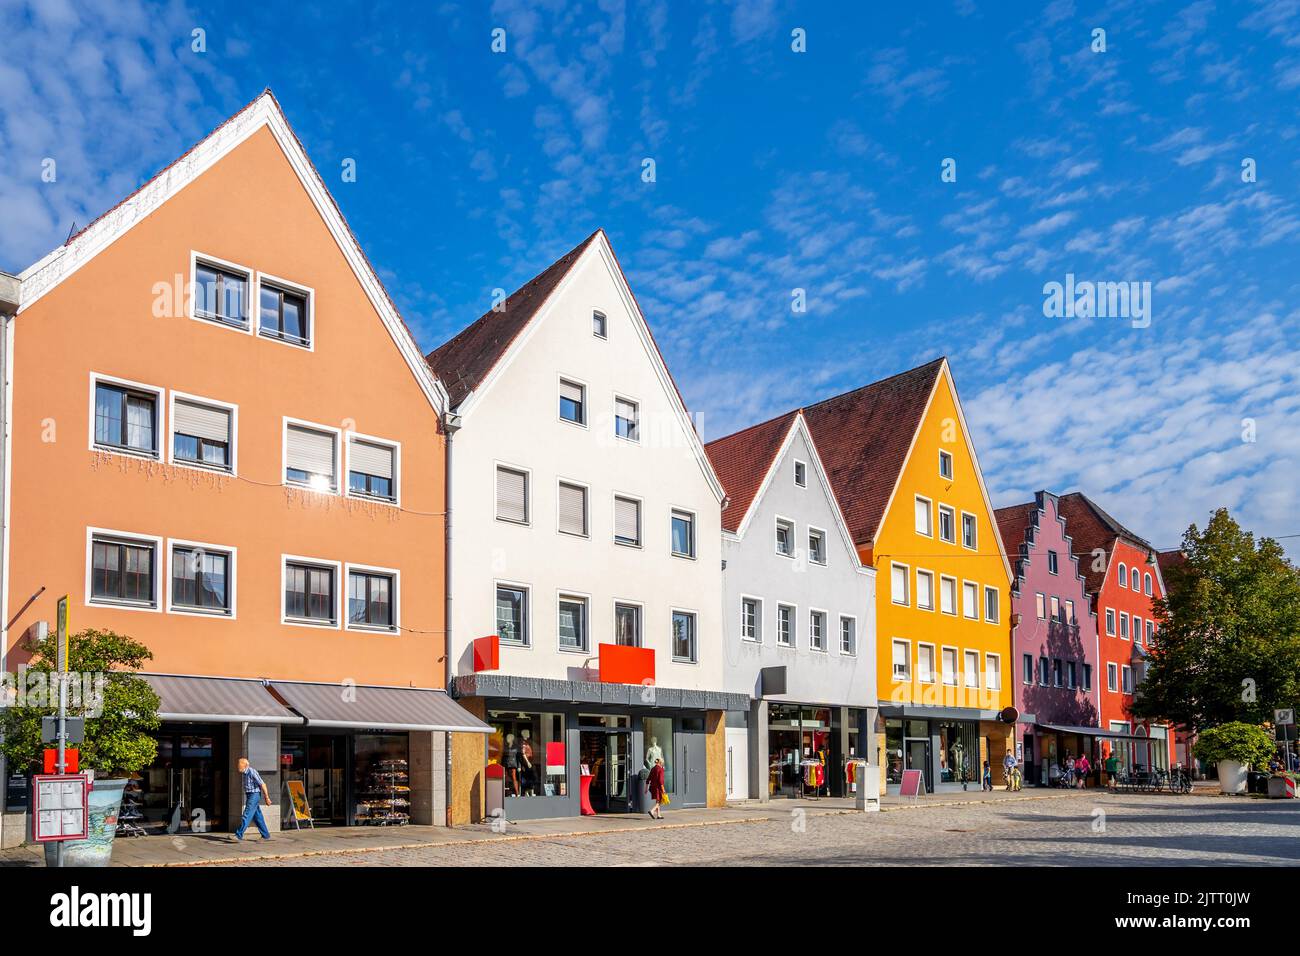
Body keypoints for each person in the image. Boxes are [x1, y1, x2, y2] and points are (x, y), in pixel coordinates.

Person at [232, 756, 272, 841]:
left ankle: (238, 835)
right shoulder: (244, 773)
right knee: (257, 817)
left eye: (239, 764)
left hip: (254, 795)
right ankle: (266, 835)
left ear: (245, 765)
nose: (237, 766)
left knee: (246, 814)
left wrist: (267, 797)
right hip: (250, 795)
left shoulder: (252, 772)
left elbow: (263, 784)